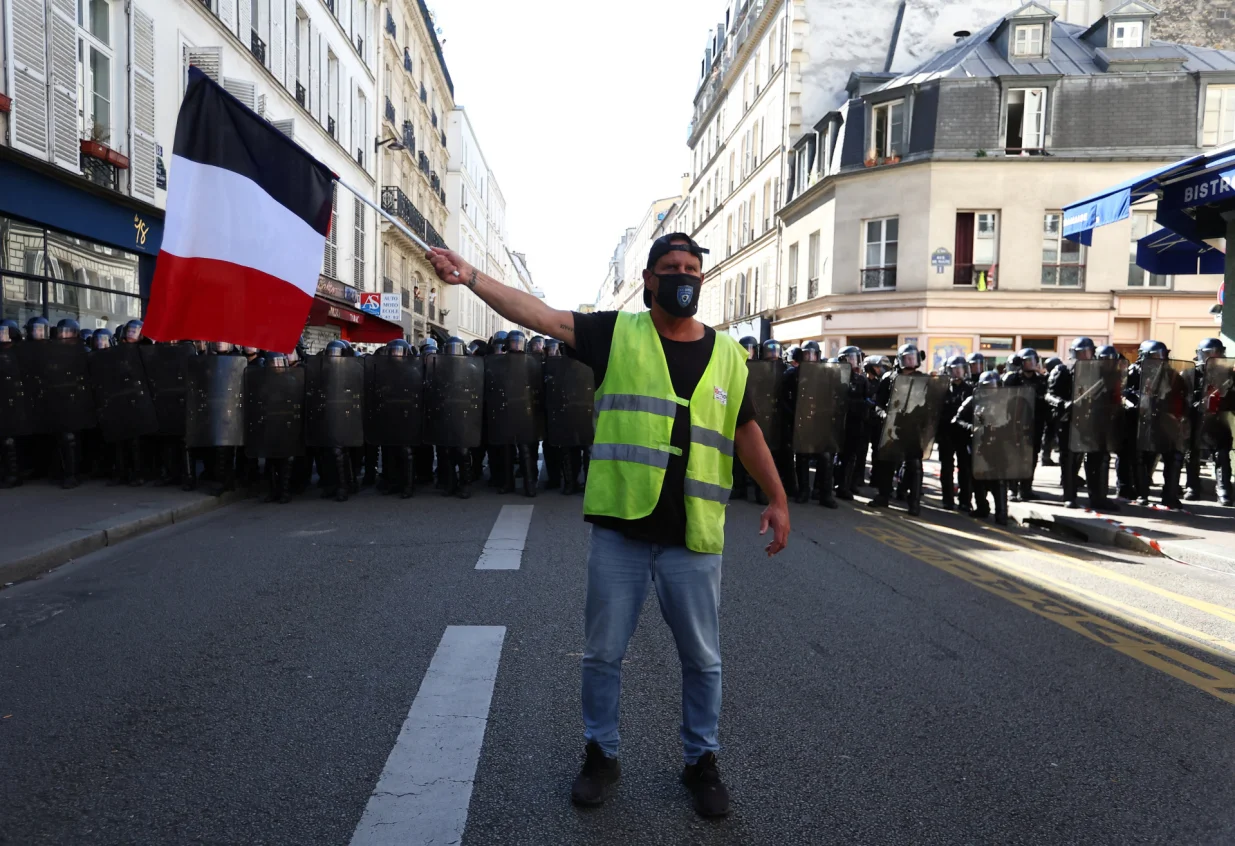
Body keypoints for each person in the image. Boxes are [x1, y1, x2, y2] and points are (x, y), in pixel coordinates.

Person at [426, 232, 789, 819]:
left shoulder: (728, 354)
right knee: (602, 655)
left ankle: (701, 761)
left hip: (693, 536)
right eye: (671, 267)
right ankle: (601, 754)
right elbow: (540, 314)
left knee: (704, 661)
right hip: (622, 528)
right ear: (648, 279)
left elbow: (745, 429)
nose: (684, 276)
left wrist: (777, 497)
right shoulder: (616, 333)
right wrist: (471, 277)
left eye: (693, 268)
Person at [1187, 337, 1231, 505]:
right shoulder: (1190, 374)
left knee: (1221, 454)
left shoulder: (1229, 374)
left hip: (1219, 420)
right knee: (1192, 454)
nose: (1212, 357)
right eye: (1208, 354)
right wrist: (1196, 404)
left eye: (1216, 353)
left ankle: (1224, 490)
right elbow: (1182, 396)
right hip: (1196, 420)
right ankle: (1192, 487)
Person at [939, 355, 973, 511]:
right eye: (954, 370)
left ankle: (965, 500)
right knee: (947, 468)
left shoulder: (970, 389)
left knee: (965, 468)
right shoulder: (942, 389)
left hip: (964, 435)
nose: (957, 373)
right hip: (946, 434)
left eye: (960, 369)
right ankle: (947, 499)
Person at [835, 345, 869, 500]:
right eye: (851, 358)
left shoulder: (861, 380)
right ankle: (829, 485)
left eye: (856, 358)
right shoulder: (835, 376)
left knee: (850, 457)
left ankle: (845, 486)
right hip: (836, 422)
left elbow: (867, 399)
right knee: (833, 456)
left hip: (854, 423)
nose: (855, 362)